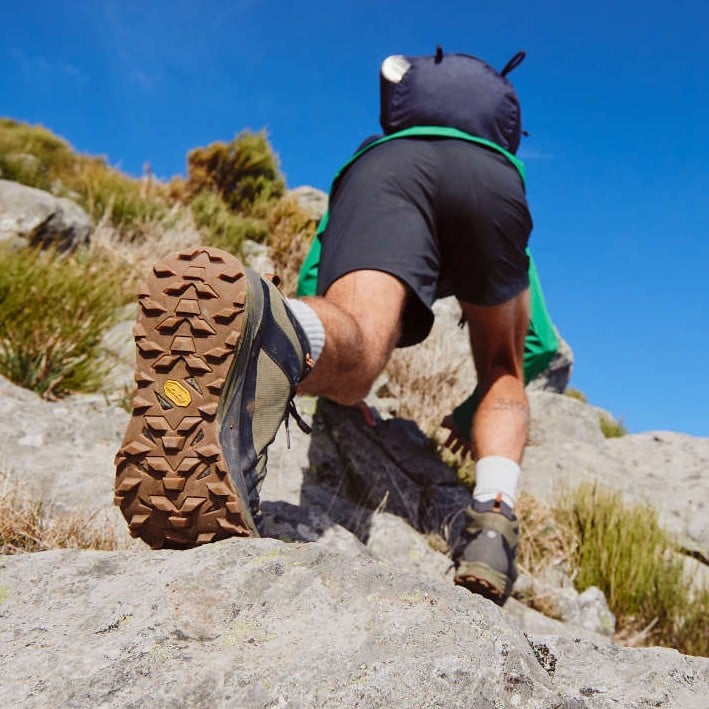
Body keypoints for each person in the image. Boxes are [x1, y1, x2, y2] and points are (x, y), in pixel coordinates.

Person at [114, 49, 546, 605]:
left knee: (359, 341)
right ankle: (493, 525)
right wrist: (473, 409)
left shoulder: (390, 148)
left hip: (386, 169)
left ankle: (276, 332)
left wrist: (329, 356)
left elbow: (323, 267)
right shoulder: (499, 167)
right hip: (494, 186)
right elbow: (534, 344)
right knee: (500, 368)